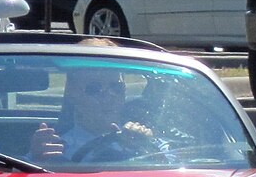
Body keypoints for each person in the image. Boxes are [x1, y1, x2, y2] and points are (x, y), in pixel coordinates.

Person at [29, 66, 159, 163]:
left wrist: (147, 148)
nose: (109, 96)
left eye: (116, 87)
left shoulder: (141, 137)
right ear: (74, 94)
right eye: (94, 88)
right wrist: (36, 159)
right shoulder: (54, 146)